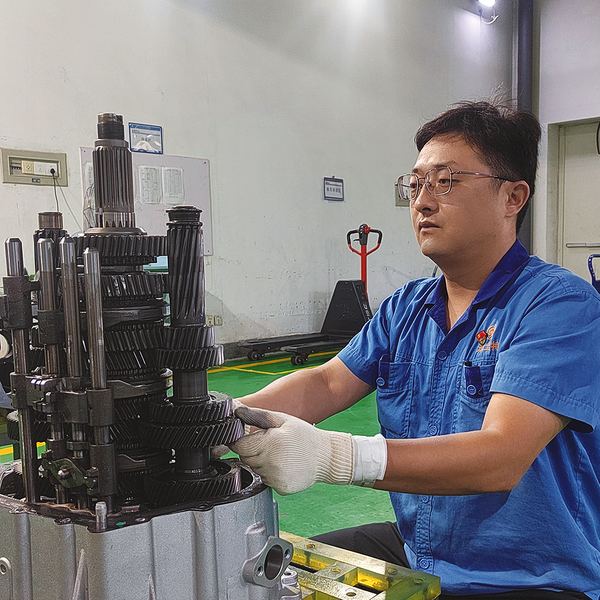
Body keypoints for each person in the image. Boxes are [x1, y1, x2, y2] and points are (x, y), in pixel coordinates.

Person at [230, 100, 600, 599]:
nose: (423, 202)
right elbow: (329, 382)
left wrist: (333, 455)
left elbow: (501, 456)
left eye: (446, 182)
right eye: (416, 184)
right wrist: (224, 418)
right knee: (262, 582)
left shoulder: (557, 306)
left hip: (529, 574)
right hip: (421, 549)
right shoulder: (407, 306)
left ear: (512, 197)